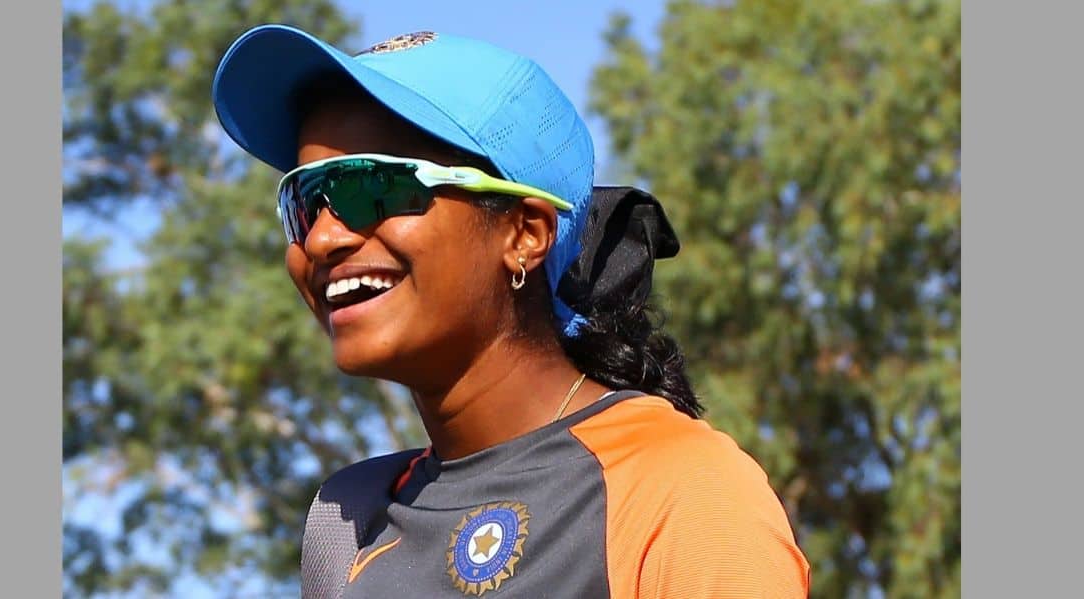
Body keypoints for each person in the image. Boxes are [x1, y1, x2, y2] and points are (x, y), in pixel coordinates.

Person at [212, 25, 810, 598]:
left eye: (373, 188)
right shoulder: (348, 520)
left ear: (525, 233)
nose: (321, 240)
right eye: (306, 201)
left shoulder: (680, 490)